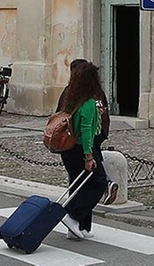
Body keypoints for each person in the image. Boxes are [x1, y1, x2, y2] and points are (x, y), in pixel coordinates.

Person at [54, 60, 109, 240]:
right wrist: (88, 156)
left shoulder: (70, 96)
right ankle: (72, 216)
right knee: (99, 182)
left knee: (79, 184)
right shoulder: (89, 103)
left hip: (67, 148)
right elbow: (86, 132)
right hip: (82, 148)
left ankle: (80, 227)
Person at [71, 58, 119, 206]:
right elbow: (104, 112)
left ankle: (75, 210)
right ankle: (105, 185)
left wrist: (88, 154)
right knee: (92, 166)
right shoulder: (97, 92)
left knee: (85, 173)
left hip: (82, 139)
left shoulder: (75, 94)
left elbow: (84, 126)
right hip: (97, 134)